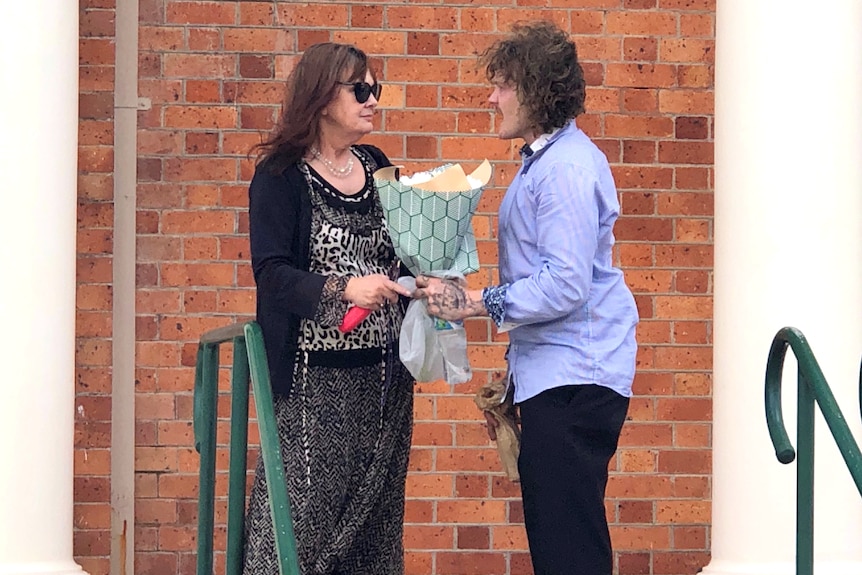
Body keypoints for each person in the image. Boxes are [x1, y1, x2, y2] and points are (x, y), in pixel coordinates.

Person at [413, 21, 639, 575]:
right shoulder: (546, 159)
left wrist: (471, 302)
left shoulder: (562, 168)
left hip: (575, 383)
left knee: (568, 551)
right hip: (561, 380)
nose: (493, 96)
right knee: (562, 540)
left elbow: (563, 284)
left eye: (504, 83)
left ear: (536, 89)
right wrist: (518, 384)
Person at [244, 42, 414, 575]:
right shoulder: (280, 176)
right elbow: (271, 275)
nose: (372, 100)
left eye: (374, 89)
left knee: (374, 529)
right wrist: (344, 288)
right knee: (299, 527)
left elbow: (405, 250)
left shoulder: (379, 167)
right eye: (359, 90)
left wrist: (421, 277)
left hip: (384, 381)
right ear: (321, 98)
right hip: (314, 385)